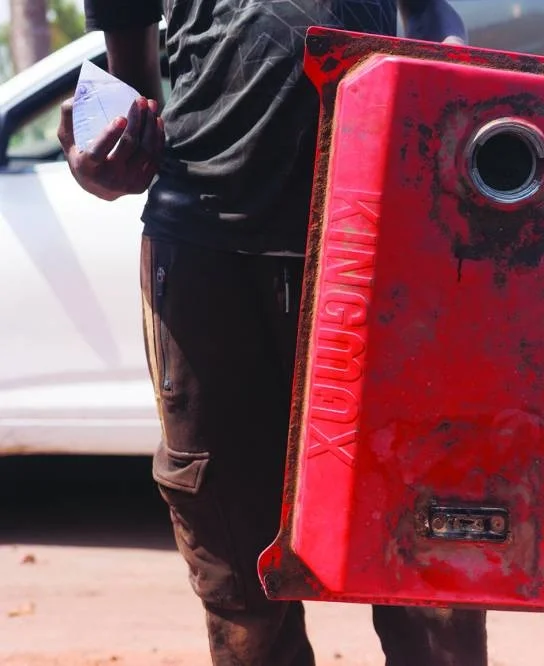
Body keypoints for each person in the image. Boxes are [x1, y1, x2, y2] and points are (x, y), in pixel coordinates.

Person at [57, 1, 488, 664]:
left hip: (380, 238)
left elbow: (429, 14)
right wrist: (100, 158)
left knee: (422, 568)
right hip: (205, 252)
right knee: (237, 576)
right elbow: (132, 89)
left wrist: (455, 99)